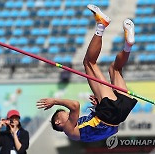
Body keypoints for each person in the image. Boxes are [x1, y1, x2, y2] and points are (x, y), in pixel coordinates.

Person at [36, 4, 137, 142]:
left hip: (118, 114)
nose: (69, 114)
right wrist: (55, 101)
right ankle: (101, 25)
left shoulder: (78, 131)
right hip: (109, 115)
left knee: (115, 69)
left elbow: (100, 129)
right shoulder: (68, 130)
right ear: (58, 122)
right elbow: (75, 105)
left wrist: (98, 107)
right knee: (89, 63)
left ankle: (128, 45)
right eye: (63, 114)